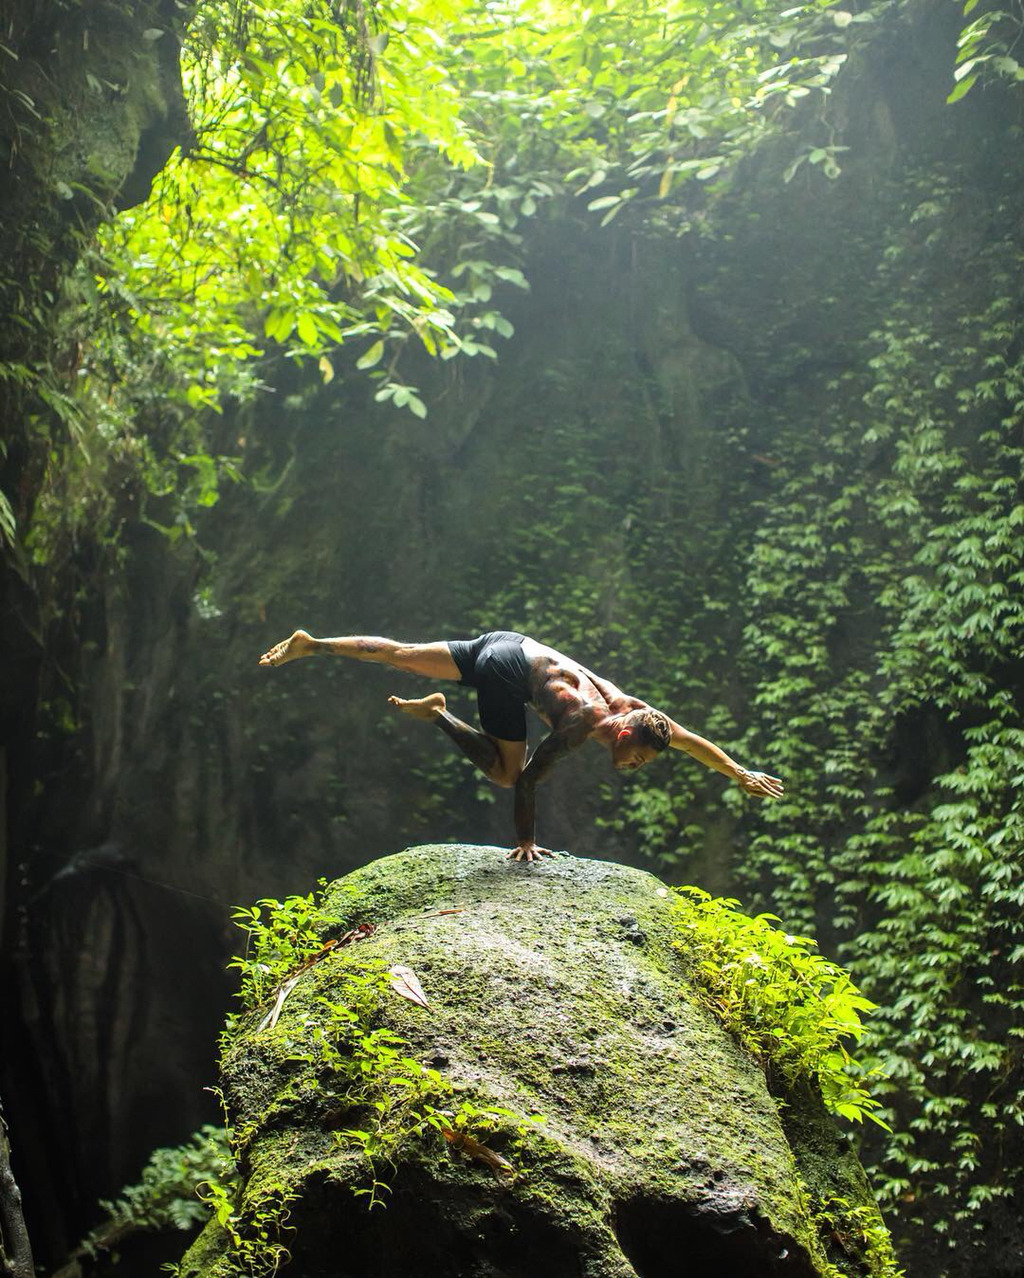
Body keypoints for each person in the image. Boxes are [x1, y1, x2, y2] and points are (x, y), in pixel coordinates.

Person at [258, 628, 783, 862]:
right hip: (508, 676)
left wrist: (738, 773)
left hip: (509, 643)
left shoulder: (640, 711)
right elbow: (530, 781)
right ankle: (439, 712)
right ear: (624, 736)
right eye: (638, 758)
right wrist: (526, 841)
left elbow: (691, 743)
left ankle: (314, 644)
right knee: (509, 773)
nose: (636, 766)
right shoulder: (585, 722)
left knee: (401, 654)